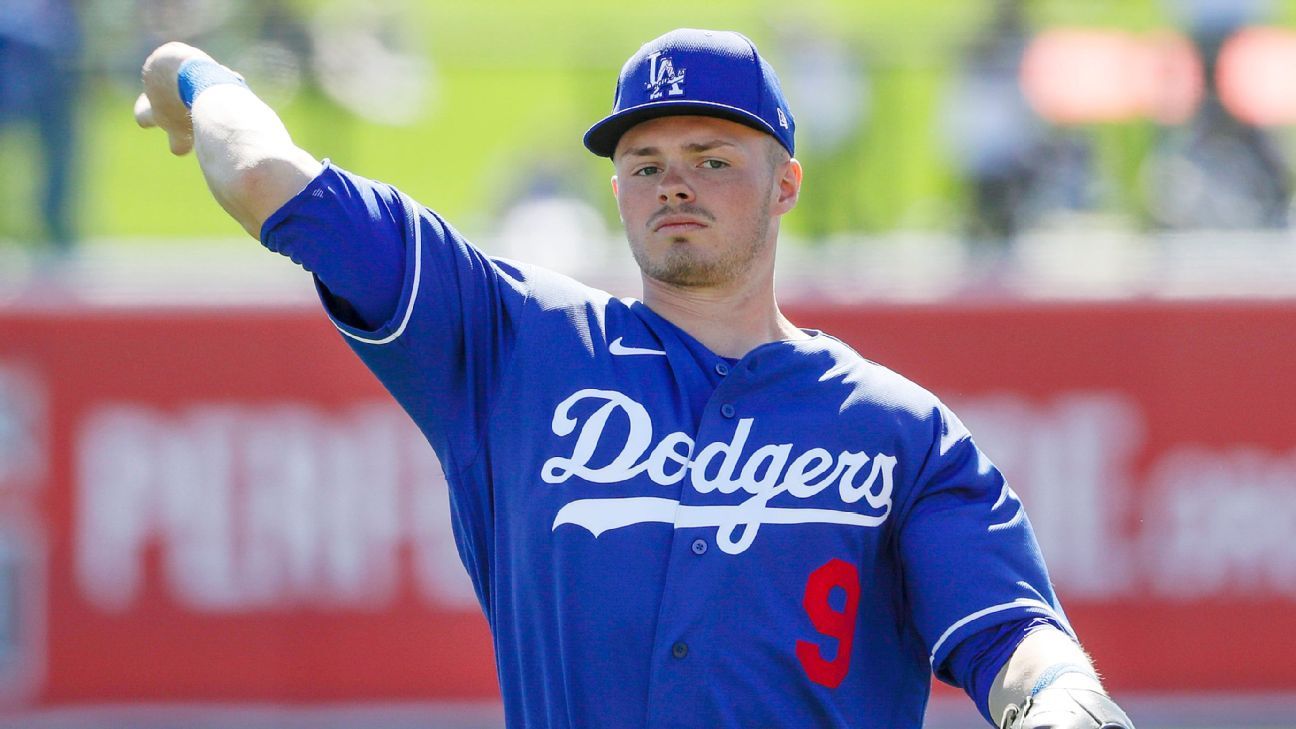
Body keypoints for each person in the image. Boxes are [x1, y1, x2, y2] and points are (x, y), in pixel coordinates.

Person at [134, 29, 1135, 729]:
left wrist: (1058, 701)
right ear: (615, 187)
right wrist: (197, 76)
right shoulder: (508, 345)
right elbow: (267, 176)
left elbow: (1010, 636)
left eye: (710, 156)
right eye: (645, 162)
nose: (675, 184)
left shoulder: (895, 430)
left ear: (786, 182)